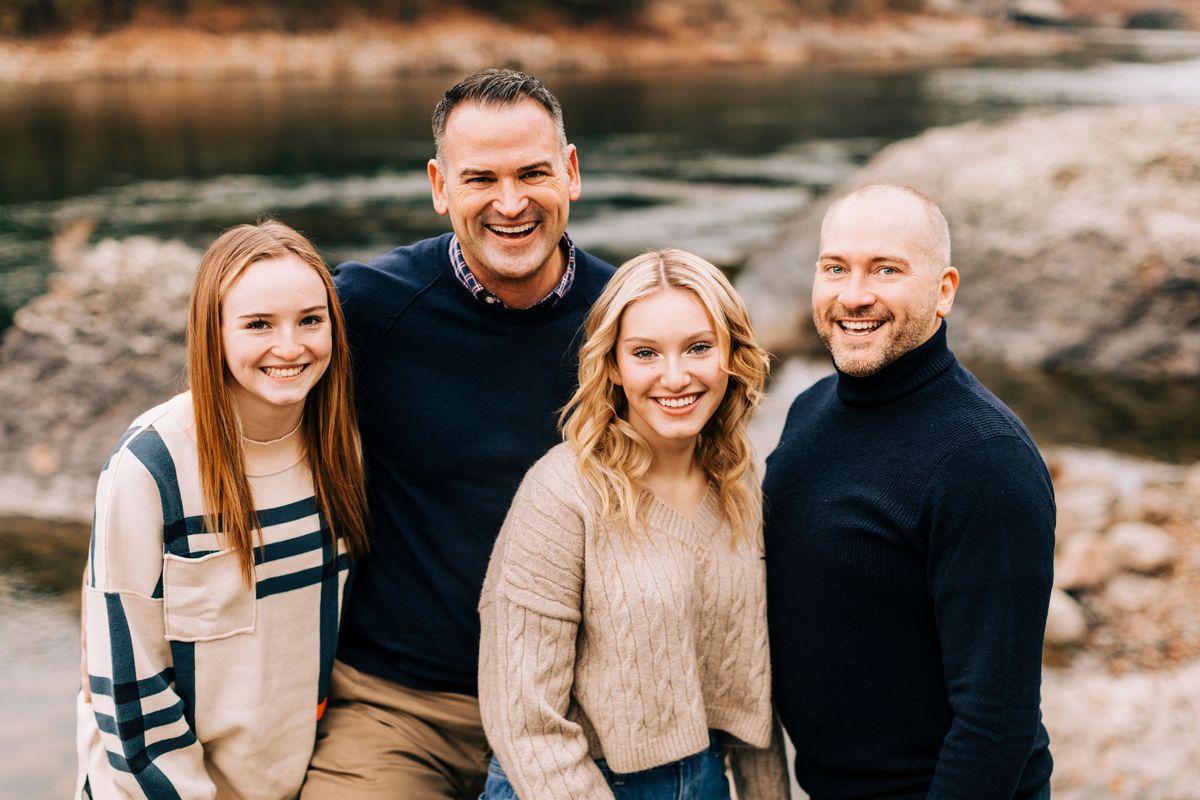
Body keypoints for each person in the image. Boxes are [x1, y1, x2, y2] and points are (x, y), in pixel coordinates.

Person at [300, 69, 615, 798]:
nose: (511, 202)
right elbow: (243, 395)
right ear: (441, 187)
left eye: (533, 173)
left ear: (570, 173)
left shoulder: (627, 319)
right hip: (400, 705)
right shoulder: (367, 309)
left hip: (574, 706)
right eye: (481, 179)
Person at [763, 183, 1055, 799]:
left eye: (886, 270)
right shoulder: (809, 410)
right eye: (835, 268)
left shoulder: (984, 459)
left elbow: (996, 721)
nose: (853, 295)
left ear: (944, 290)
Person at [477, 249, 790, 800]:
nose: (676, 376)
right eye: (645, 352)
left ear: (731, 355)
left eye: (699, 347)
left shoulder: (739, 481)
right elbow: (525, 722)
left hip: (705, 780)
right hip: (569, 784)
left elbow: (749, 696)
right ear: (614, 366)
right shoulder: (561, 494)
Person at [75, 220, 370, 799]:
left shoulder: (343, 448)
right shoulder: (153, 465)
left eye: (311, 320)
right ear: (213, 332)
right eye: (259, 324)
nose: (291, 346)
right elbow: (130, 694)